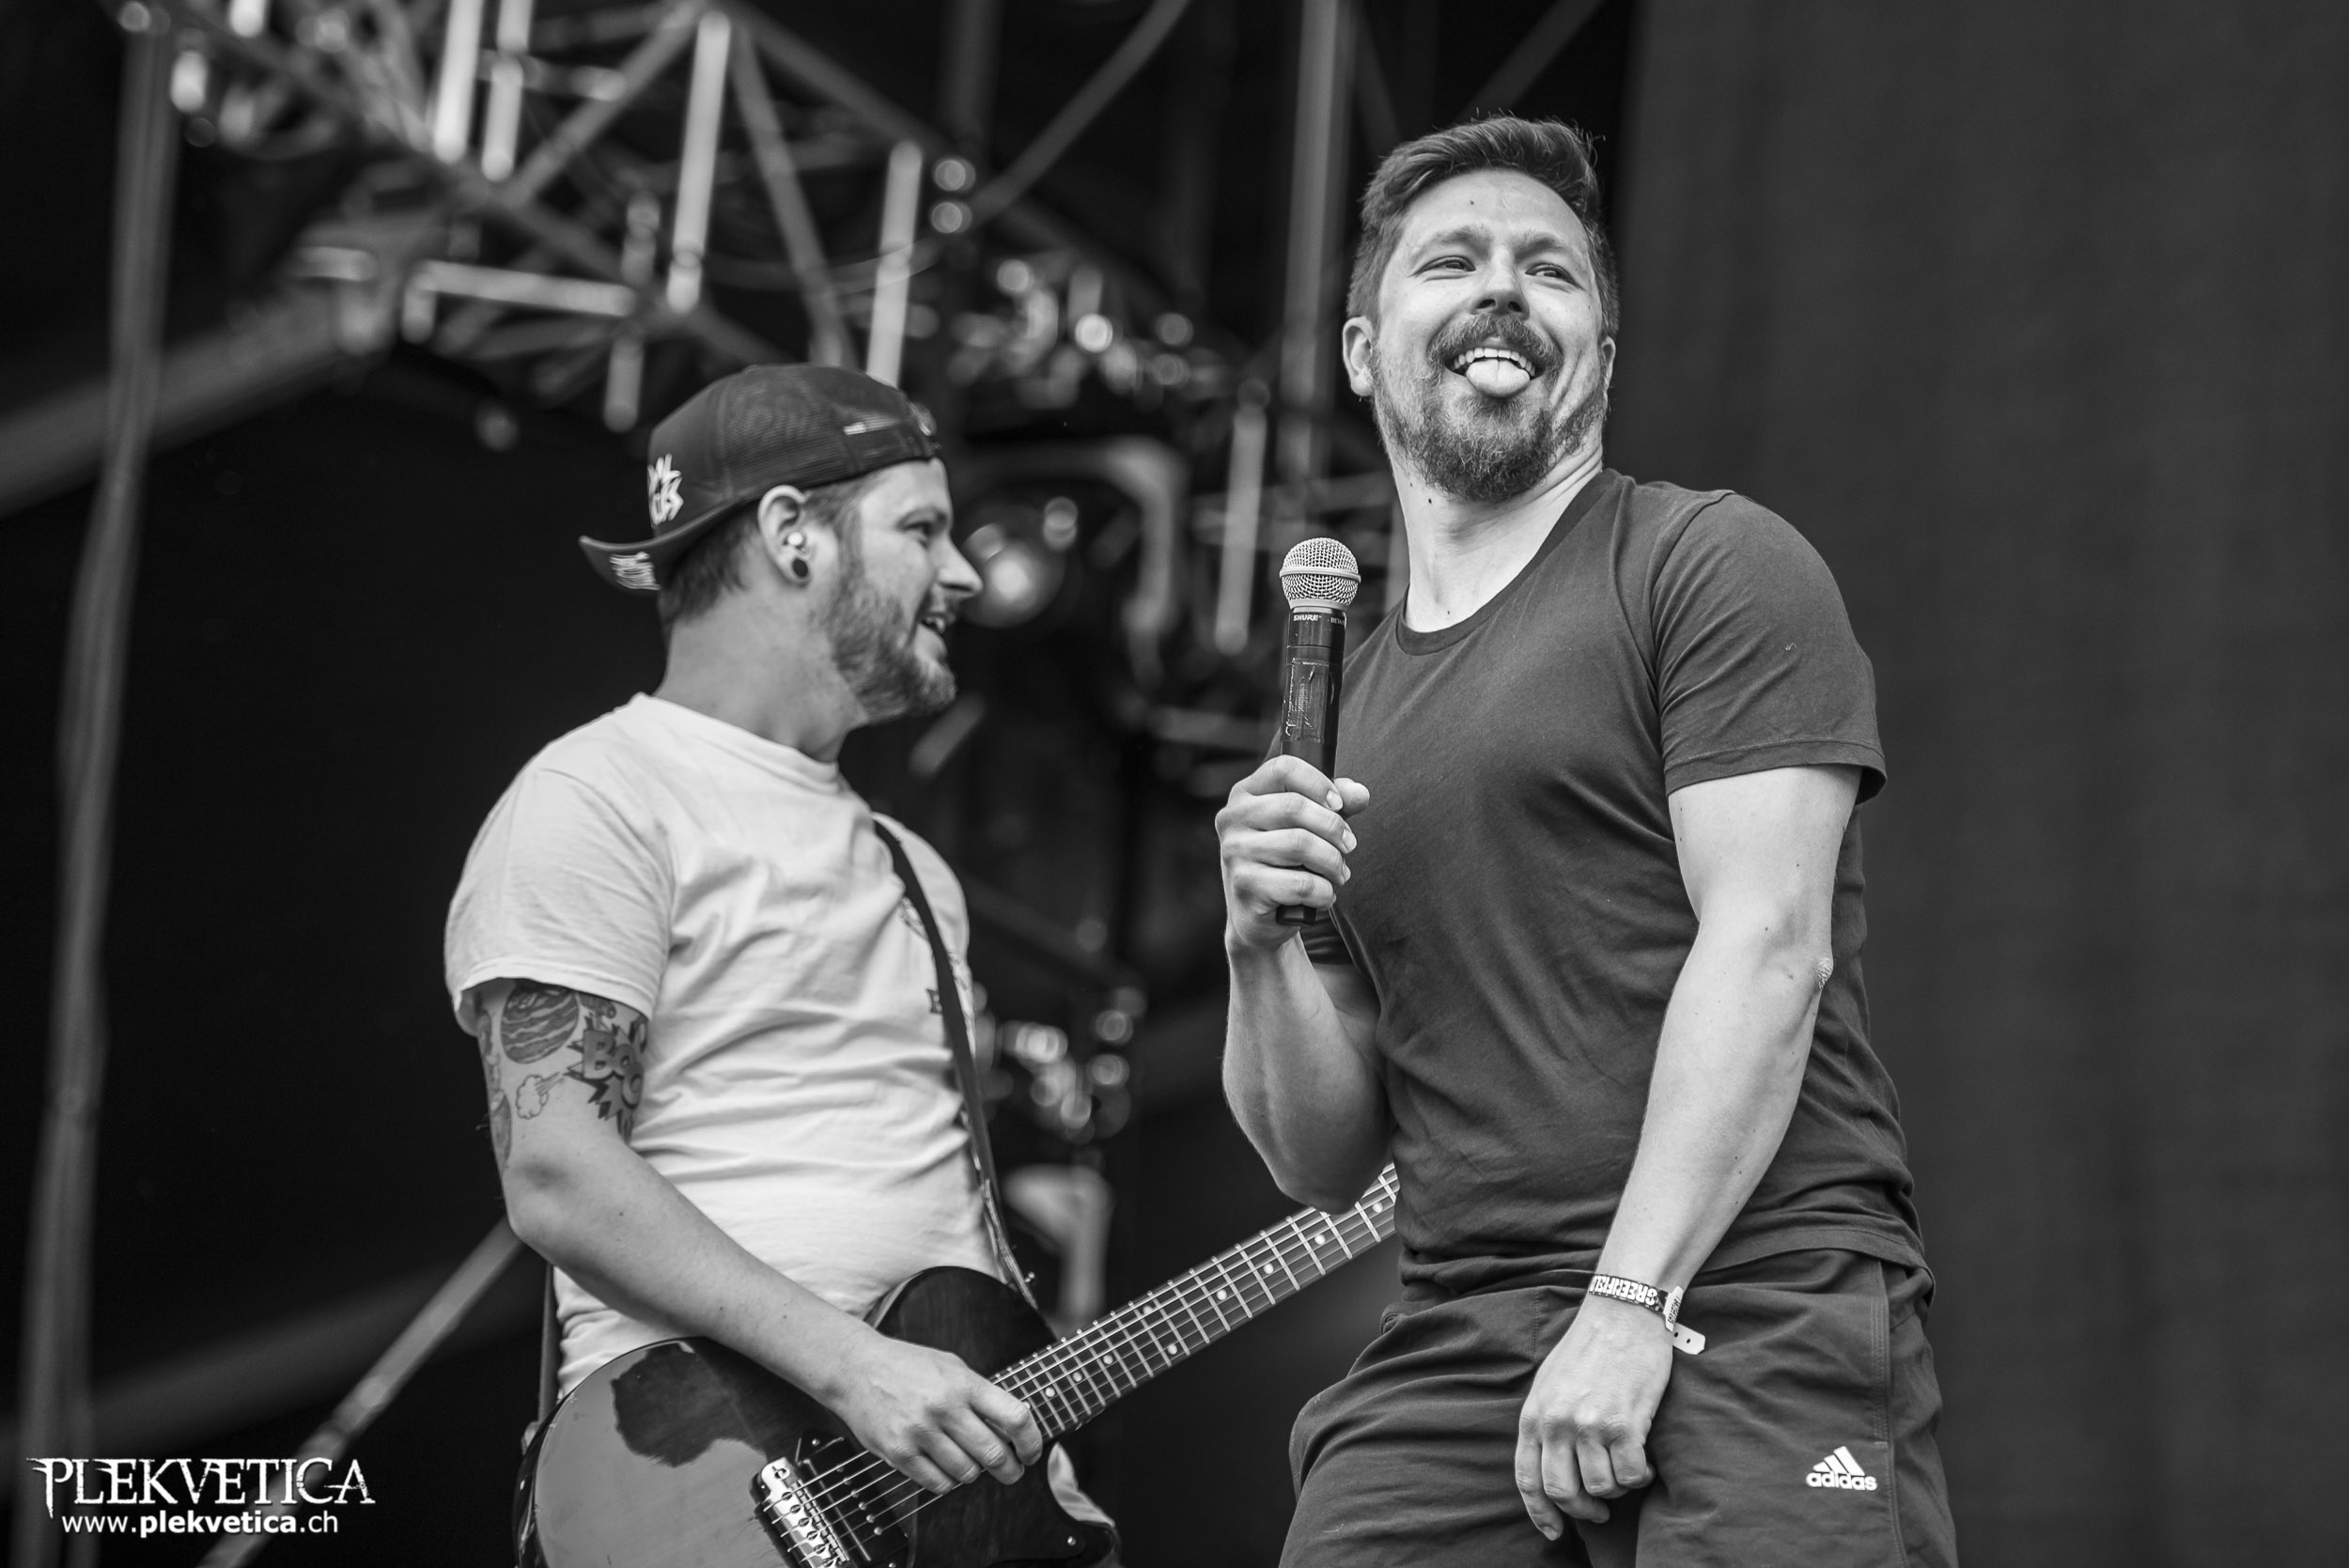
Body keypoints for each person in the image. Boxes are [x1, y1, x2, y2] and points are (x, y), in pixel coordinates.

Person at [1216, 116, 1956, 1566]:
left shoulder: (1708, 561)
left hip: (1748, 1283)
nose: (1504, 287)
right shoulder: (1339, 710)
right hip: (1460, 1328)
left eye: (1549, 271)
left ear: (1602, 359)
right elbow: (1322, 1153)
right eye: (1453, 261)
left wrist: (1631, 1302)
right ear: (1363, 349)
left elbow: (1771, 949)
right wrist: (1257, 944)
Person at [443, 365, 1109, 1545]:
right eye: (922, 529)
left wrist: (1025, 1457)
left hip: (939, 1503)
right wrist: (857, 1368)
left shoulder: (915, 871)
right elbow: (556, 1172)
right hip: (713, 1500)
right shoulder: (597, 797)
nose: (961, 574)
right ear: (794, 534)